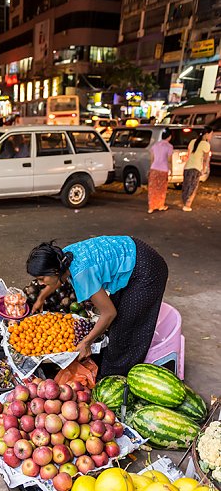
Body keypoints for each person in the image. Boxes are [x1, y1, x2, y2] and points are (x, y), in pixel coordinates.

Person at [26, 237, 168, 378]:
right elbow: (57, 278)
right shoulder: (61, 258)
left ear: (54, 271)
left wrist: (86, 342)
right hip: (134, 254)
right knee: (116, 325)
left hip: (147, 269)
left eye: (41, 279)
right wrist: (41, 298)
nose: (39, 283)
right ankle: (108, 364)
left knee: (127, 331)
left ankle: (115, 377)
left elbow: (109, 313)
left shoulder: (82, 274)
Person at [182, 126, 213, 212]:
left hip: (187, 167)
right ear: (206, 134)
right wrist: (203, 169)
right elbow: (205, 159)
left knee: (186, 186)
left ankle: (185, 203)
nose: (211, 136)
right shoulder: (206, 145)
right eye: (211, 134)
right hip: (196, 168)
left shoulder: (192, 141)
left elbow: (189, 155)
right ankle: (187, 205)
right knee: (193, 187)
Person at [147, 128, 173, 213]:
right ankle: (160, 205)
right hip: (163, 169)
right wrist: (171, 169)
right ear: (169, 137)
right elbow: (169, 160)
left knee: (152, 188)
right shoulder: (169, 146)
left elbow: (152, 159)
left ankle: (151, 207)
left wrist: (150, 169)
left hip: (154, 168)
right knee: (161, 189)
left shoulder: (155, 145)